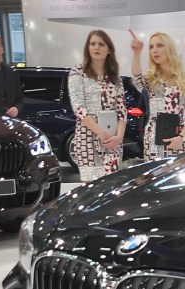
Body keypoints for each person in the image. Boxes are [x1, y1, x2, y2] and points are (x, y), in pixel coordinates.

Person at [68, 30, 127, 183]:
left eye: (101, 44)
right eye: (92, 44)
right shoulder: (78, 72)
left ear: (109, 50)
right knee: (90, 189)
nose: (96, 47)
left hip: (112, 138)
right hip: (87, 137)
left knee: (111, 187)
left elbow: (122, 111)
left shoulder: (115, 77)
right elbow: (78, 108)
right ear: (87, 47)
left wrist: (119, 137)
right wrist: (101, 133)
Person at [128, 30, 185, 160]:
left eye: (159, 45)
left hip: (178, 137)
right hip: (153, 136)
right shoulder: (150, 78)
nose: (154, 50)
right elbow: (136, 77)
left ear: (169, 48)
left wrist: (181, 137)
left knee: (176, 177)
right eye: (151, 47)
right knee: (154, 177)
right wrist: (137, 53)